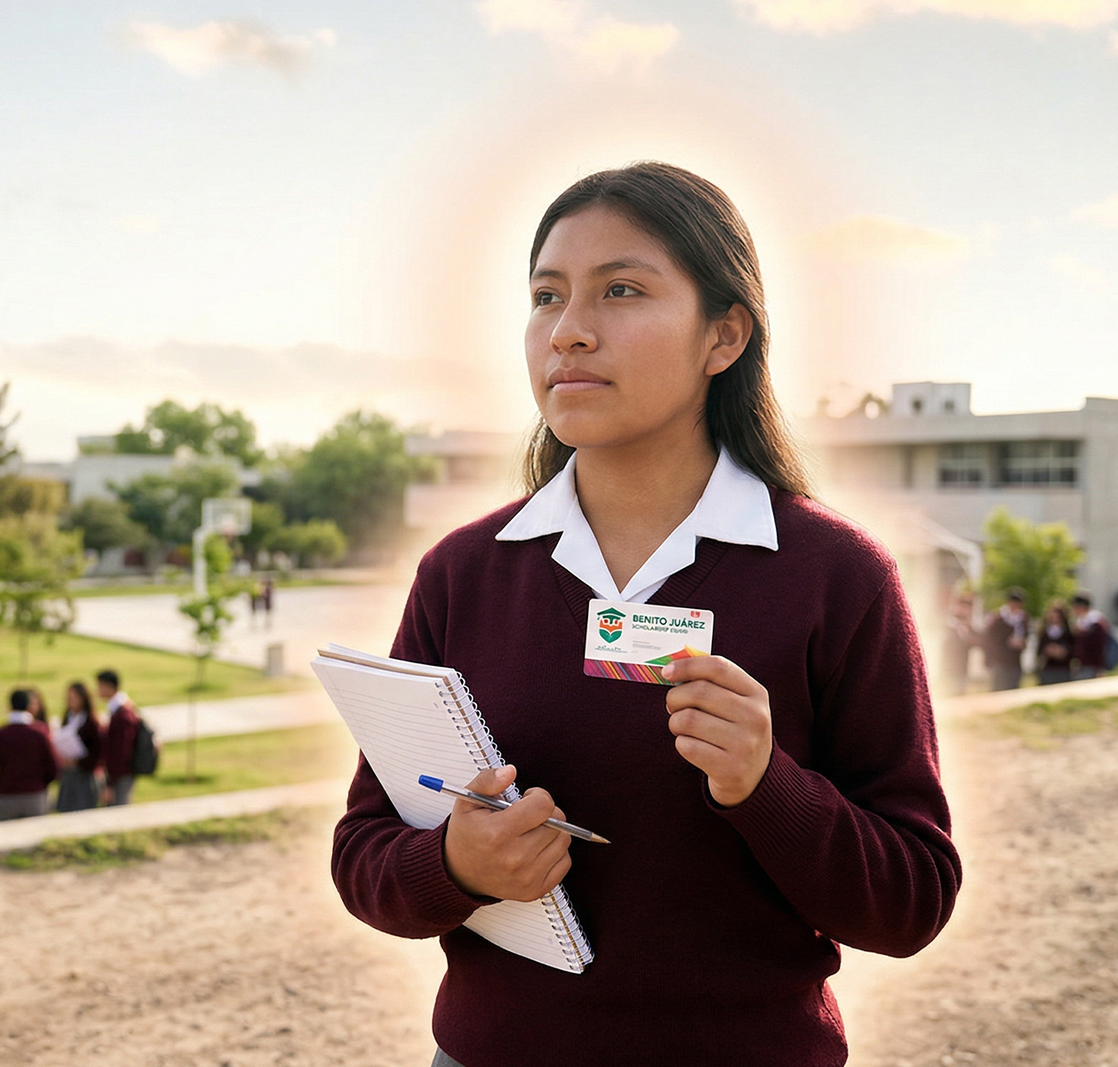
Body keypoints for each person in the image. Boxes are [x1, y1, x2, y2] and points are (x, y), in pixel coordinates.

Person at [330, 163, 961, 1067]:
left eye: (621, 290)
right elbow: (364, 855)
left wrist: (765, 784)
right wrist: (457, 865)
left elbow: (912, 903)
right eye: (547, 296)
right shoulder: (461, 574)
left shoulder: (838, 577)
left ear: (724, 335)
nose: (569, 330)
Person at [0, 688, 59, 820]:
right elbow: (54, 766)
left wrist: (1, 782)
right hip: (35, 796)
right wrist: (40, 783)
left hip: (6, 797)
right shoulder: (40, 734)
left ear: (10, 708)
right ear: (30, 708)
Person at [96, 669, 143, 806]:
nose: (98, 690)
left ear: (109, 686)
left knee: (118, 810)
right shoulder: (120, 709)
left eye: (100, 686)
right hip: (120, 774)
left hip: (121, 775)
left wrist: (110, 783)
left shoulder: (122, 714)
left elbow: (120, 752)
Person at [56, 681, 104, 812]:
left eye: (74, 697)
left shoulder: (92, 723)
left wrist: (78, 761)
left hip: (85, 775)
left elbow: (98, 753)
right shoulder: (68, 718)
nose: (70, 701)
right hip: (68, 774)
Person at [981, 590, 1029, 691]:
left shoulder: (1022, 619)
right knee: (998, 690)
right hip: (999, 661)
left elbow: (1025, 637)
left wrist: (1021, 644)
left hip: (1015, 662)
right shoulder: (997, 618)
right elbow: (988, 640)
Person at [1071, 593, 1111, 680]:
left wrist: (1100, 668)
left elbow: (1100, 648)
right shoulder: (1079, 623)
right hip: (1082, 665)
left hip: (1093, 666)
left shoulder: (1096, 623)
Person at [1036, 603, 1074, 686]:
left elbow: (1073, 649)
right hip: (1048, 669)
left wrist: (1062, 651)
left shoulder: (1068, 632)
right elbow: (1039, 651)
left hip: (1063, 669)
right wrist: (1048, 651)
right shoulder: (1044, 632)